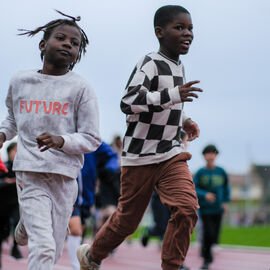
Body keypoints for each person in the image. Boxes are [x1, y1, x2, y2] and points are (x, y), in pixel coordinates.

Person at [77, 5, 203, 270]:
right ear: (160, 32)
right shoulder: (150, 62)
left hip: (170, 153)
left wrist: (184, 120)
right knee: (127, 221)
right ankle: (92, 255)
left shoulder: (180, 66)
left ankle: (172, 266)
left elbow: (167, 103)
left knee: (186, 209)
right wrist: (174, 96)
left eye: (190, 28)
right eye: (179, 28)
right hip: (140, 156)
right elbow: (129, 101)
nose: (187, 33)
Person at [0, 10, 101, 270]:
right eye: (61, 38)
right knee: (43, 249)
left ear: (78, 53)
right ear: (43, 45)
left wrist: (60, 140)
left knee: (53, 252)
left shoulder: (81, 89)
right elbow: (13, 119)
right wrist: (2, 134)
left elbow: (91, 138)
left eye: (75, 43)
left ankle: (26, 223)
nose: (68, 44)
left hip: (65, 177)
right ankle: (30, 217)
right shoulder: (21, 81)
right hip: (30, 172)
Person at [67, 142, 120, 270]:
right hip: (68, 193)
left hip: (87, 195)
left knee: (79, 231)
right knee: (75, 229)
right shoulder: (66, 136)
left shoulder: (94, 142)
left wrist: (109, 168)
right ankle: (76, 267)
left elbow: (112, 157)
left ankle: (79, 264)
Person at [193, 145, 230, 270]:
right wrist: (205, 195)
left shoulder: (221, 172)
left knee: (214, 236)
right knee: (208, 233)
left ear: (216, 155)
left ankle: (206, 254)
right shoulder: (200, 172)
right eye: (208, 153)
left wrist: (225, 202)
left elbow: (226, 187)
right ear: (204, 156)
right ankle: (206, 260)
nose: (210, 156)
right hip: (205, 209)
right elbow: (193, 188)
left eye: (213, 153)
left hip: (218, 209)